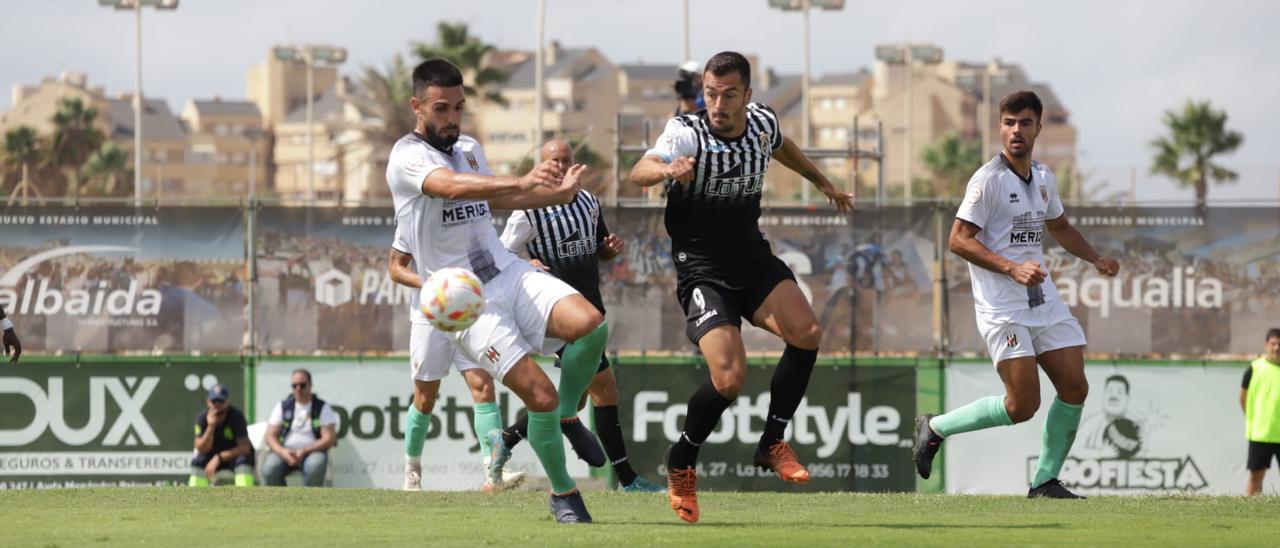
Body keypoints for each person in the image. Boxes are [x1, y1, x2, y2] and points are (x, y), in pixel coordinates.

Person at [628, 51, 855, 523]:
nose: (718, 103)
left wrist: (822, 182)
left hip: (752, 259)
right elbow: (638, 171)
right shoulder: (685, 132)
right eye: (711, 93)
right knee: (729, 378)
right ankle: (682, 460)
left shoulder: (761, 123)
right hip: (703, 269)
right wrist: (667, 171)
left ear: (747, 96)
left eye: (729, 94)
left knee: (808, 333)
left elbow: (782, 145)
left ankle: (772, 443)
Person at [384, 58, 606, 524]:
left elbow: (496, 198)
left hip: (505, 270)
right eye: (441, 108)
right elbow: (448, 188)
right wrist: (526, 178)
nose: (451, 118)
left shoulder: (468, 146)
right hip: (463, 302)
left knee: (590, 326)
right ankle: (564, 494)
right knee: (538, 395)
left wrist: (554, 195)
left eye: (458, 107)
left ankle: (567, 416)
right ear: (417, 106)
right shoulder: (406, 156)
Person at [910, 91, 1120, 499]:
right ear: (999, 127)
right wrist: (1011, 267)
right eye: (1008, 123)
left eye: (1024, 123)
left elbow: (1059, 227)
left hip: (1041, 300)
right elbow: (958, 240)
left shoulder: (1043, 178)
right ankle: (934, 428)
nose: (1016, 131)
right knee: (1022, 406)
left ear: (1038, 128)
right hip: (1002, 308)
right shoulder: (988, 180)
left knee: (1075, 387)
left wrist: (1095, 258)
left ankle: (1045, 481)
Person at [489, 138, 665, 493]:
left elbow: (599, 249)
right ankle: (628, 481)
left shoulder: (587, 201)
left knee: (578, 397)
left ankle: (506, 439)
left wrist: (608, 250)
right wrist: (526, 263)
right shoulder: (528, 210)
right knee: (604, 389)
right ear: (540, 166)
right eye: (552, 161)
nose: (559, 166)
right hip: (556, 315)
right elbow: (498, 255)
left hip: (590, 310)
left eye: (565, 160)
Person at [387, 235, 527, 492]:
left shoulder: (469, 214)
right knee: (425, 398)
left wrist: (526, 269)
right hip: (428, 317)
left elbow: (494, 256)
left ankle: (493, 472)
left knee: (483, 386)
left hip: (470, 316)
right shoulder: (414, 215)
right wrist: (436, 286)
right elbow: (395, 269)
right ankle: (412, 470)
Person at [262, 369, 337, 487]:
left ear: (310, 385)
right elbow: (270, 436)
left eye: (302, 385)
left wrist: (305, 450)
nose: (298, 389)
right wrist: (283, 452)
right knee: (270, 468)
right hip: (285, 452)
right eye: (294, 386)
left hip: (312, 452)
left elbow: (329, 438)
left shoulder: (322, 407)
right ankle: (279, 503)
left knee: (315, 466)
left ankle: (308, 503)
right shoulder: (283, 406)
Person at [190, 384, 255, 487]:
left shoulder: (236, 417)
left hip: (233, 456)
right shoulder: (202, 418)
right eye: (214, 401)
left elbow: (244, 448)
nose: (217, 405)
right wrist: (210, 427)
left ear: (227, 402)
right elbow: (201, 448)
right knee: (198, 462)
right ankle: (194, 497)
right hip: (210, 455)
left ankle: (245, 496)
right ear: (208, 402)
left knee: (244, 460)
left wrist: (218, 458)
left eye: (220, 401)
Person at [1241, 328, 1280, 496]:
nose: (1277, 348)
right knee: (1256, 476)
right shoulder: (1255, 368)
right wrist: (1254, 419)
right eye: (1273, 344)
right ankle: (1251, 515)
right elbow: (1243, 397)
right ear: (1266, 345)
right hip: (1260, 434)